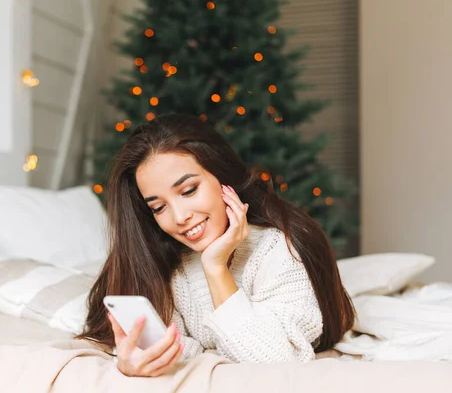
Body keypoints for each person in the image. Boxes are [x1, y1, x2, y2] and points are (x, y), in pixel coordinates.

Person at [76, 114, 355, 377]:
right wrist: (135, 360)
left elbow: (275, 365)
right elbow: (178, 348)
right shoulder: (168, 260)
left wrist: (215, 268)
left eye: (189, 190)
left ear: (223, 178)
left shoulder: (279, 249)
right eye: (159, 207)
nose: (179, 217)